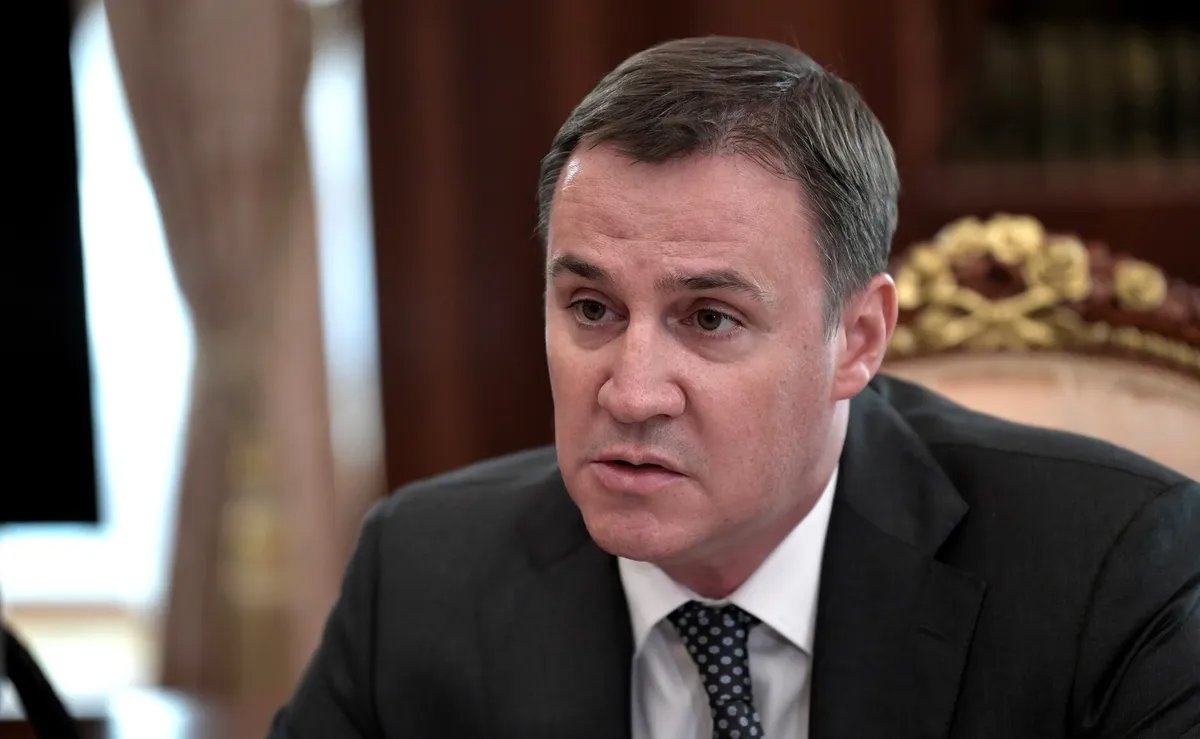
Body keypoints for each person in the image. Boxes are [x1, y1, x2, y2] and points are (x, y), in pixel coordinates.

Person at [269, 36, 1200, 738]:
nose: (632, 393)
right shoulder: (422, 574)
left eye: (709, 318)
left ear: (858, 339)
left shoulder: (1109, 572)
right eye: (591, 308)